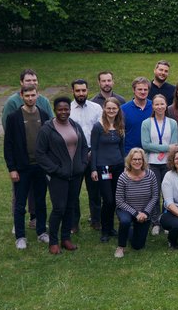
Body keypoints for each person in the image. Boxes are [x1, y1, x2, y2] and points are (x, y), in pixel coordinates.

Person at [36, 96, 89, 254]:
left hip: (75, 175)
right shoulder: (47, 129)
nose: (63, 112)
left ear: (70, 110)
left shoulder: (75, 125)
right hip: (58, 176)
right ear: (55, 110)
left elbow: (84, 147)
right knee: (59, 208)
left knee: (71, 207)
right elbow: (40, 154)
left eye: (66, 109)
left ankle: (65, 238)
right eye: (60, 109)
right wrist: (56, 170)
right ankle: (53, 241)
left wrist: (82, 164)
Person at [4, 84, 49, 249]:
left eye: (33, 95)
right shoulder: (14, 117)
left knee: (40, 201)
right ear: (22, 96)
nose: (30, 98)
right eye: (27, 95)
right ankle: (20, 236)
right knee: (20, 203)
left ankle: (41, 232)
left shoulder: (44, 115)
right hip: (22, 168)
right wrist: (12, 168)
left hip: (40, 167)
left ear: (38, 95)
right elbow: (8, 145)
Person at [141, 94, 178, 235]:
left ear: (166, 105)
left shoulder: (172, 123)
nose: (159, 107)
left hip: (168, 163)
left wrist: (165, 148)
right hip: (152, 162)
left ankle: (166, 220)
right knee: (155, 193)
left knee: (169, 193)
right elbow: (145, 145)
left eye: (162, 104)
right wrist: (165, 148)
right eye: (156, 104)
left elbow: (174, 146)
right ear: (153, 106)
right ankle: (155, 221)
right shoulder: (146, 123)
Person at [89, 97, 126, 242]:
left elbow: (122, 148)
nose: (111, 111)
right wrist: (93, 169)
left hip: (118, 166)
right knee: (108, 199)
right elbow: (95, 149)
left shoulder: (120, 125)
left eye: (114, 108)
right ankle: (105, 230)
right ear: (104, 108)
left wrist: (124, 166)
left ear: (118, 110)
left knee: (116, 199)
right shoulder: (98, 127)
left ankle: (111, 228)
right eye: (109, 108)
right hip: (103, 167)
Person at [69, 78, 103, 233]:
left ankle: (96, 220)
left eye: (83, 90)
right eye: (78, 91)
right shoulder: (67, 109)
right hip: (74, 155)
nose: (81, 93)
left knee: (94, 190)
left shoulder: (96, 108)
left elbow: (102, 130)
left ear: (88, 90)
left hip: (93, 153)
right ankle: (73, 223)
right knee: (74, 191)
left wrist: (93, 151)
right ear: (73, 91)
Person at [114, 148, 158, 258]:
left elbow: (155, 196)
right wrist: (135, 213)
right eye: (134, 159)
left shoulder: (150, 175)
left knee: (138, 245)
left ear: (143, 161)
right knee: (125, 221)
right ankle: (120, 247)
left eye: (140, 159)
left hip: (144, 212)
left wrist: (145, 213)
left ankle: (127, 230)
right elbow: (119, 201)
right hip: (126, 210)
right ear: (130, 161)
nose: (137, 162)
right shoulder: (123, 177)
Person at [122, 77, 153, 154]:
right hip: (131, 154)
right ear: (133, 90)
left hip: (152, 153)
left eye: (145, 89)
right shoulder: (123, 109)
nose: (143, 92)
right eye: (139, 89)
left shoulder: (155, 107)